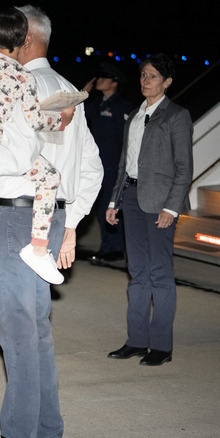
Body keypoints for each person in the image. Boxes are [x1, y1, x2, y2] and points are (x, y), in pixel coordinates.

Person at [0, 5, 102, 436]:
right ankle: (46, 427)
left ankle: (19, 431)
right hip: (50, 221)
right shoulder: (68, 90)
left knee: (18, 336)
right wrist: (71, 225)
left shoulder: (11, 83)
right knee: (37, 333)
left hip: (15, 217)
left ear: (25, 39)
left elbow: (13, 156)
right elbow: (91, 167)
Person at [0, 7, 73, 284]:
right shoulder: (22, 77)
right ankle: (38, 248)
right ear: (23, 43)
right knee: (49, 177)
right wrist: (62, 119)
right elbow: (34, 120)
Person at [106, 53, 193, 367]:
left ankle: (161, 345)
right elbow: (123, 164)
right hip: (131, 196)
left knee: (159, 275)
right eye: (143, 75)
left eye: (153, 76)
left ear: (167, 82)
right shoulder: (133, 115)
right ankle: (136, 340)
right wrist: (114, 201)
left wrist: (172, 207)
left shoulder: (176, 116)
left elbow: (184, 169)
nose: (146, 81)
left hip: (160, 205)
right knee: (137, 274)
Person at [82, 62, 133, 264]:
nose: (98, 81)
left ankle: (113, 248)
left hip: (113, 165)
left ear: (114, 83)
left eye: (104, 78)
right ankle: (109, 246)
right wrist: (82, 96)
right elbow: (78, 116)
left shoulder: (122, 107)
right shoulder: (97, 104)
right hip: (96, 164)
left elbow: (128, 138)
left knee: (109, 205)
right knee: (97, 206)